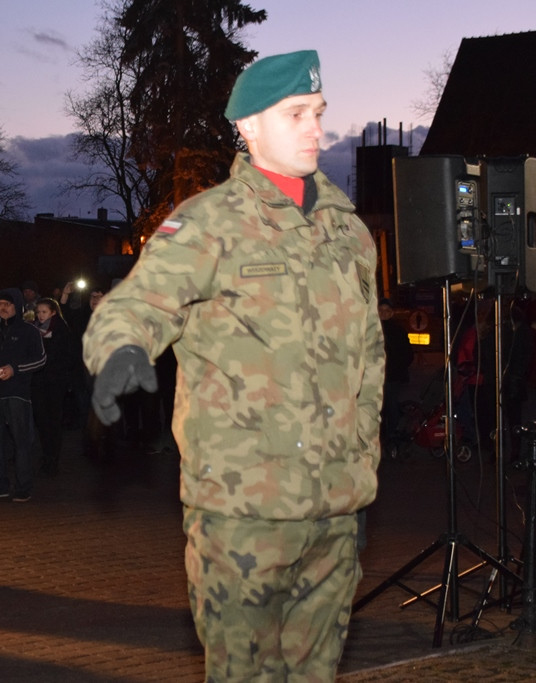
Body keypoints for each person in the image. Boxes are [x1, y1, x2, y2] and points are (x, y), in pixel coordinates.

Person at [81, 50, 384, 680]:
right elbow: (136, 305)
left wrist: (360, 481)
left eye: (319, 112)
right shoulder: (208, 222)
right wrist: (123, 350)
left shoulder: (349, 234)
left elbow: (370, 364)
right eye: (296, 113)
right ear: (248, 127)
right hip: (242, 515)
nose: (315, 128)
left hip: (334, 513)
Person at [0, 288, 46, 502]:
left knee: (21, 441)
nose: (3, 308)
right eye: (0, 304)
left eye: (8, 304)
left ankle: (23, 486)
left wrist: (15, 369)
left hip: (17, 394)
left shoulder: (29, 332)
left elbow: (40, 359)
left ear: (18, 307)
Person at [31, 297, 76, 476]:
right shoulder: (34, 330)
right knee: (41, 420)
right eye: (38, 312)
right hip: (39, 382)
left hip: (55, 382)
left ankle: (53, 459)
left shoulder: (61, 330)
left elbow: (66, 356)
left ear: (53, 313)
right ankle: (46, 455)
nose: (40, 316)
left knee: (53, 421)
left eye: (44, 312)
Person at [379, 297, 414, 455]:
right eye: (381, 310)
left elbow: (407, 353)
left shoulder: (398, 330)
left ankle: (391, 437)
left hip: (392, 375)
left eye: (387, 311)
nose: (384, 314)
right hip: (375, 377)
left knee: (391, 405)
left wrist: (397, 366)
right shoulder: (370, 329)